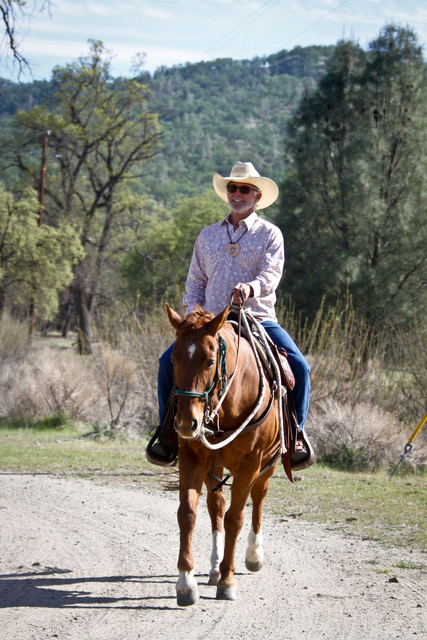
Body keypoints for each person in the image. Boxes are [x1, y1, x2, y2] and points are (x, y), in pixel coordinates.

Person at [147, 161, 311, 466]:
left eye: (244, 189)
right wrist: (190, 320)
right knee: (166, 364)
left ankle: (295, 436)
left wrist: (249, 289)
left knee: (299, 368)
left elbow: (272, 274)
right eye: (232, 188)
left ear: (257, 196)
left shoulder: (270, 234)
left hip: (257, 319)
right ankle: (168, 433)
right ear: (227, 194)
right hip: (209, 324)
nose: (237, 193)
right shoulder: (207, 236)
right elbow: (195, 282)